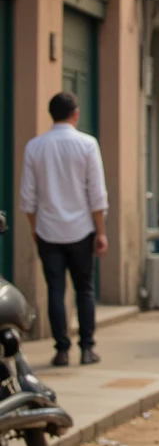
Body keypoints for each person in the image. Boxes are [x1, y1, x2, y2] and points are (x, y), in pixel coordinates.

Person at [19, 90, 108, 367]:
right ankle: (87, 348)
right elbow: (97, 193)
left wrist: (35, 229)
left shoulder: (35, 146)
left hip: (48, 230)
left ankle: (61, 349)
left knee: (55, 290)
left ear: (51, 115)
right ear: (76, 114)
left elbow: (27, 197)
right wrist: (101, 230)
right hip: (81, 229)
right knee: (84, 288)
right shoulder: (87, 144)